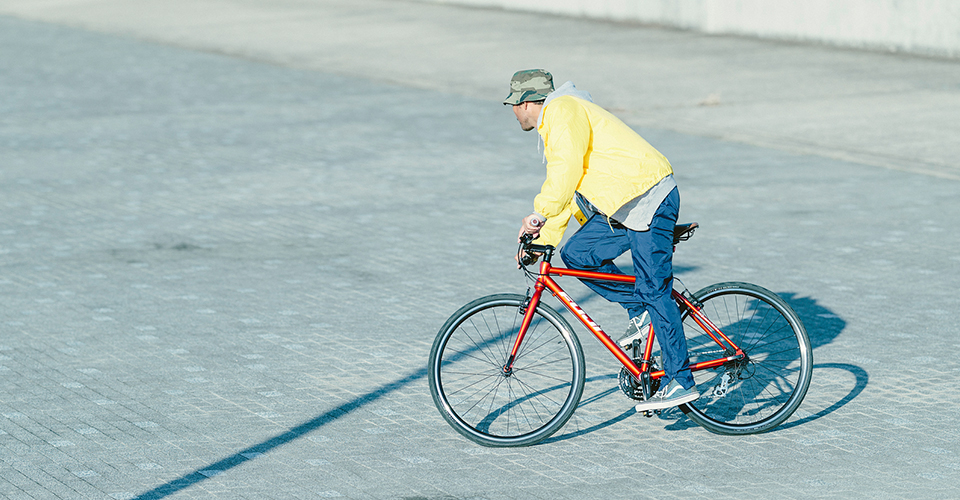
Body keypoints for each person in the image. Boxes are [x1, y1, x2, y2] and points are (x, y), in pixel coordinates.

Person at [504, 69, 697, 411]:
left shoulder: (562, 111)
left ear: (527, 102)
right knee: (578, 253)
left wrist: (537, 216)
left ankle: (680, 379)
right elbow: (573, 188)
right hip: (624, 204)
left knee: (655, 289)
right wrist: (544, 240)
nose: (513, 113)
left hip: (647, 197)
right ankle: (641, 312)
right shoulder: (561, 116)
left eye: (513, 105)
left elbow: (564, 173)